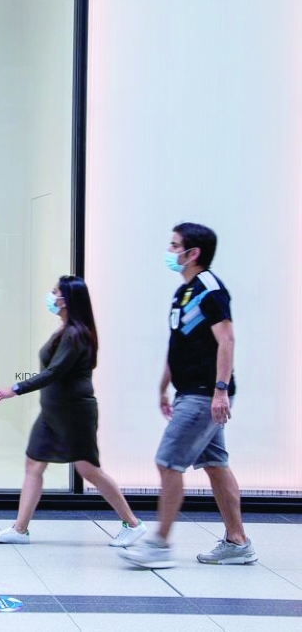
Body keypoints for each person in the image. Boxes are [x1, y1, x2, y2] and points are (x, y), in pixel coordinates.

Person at [120, 223, 255, 569]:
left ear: (192, 253)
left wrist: (220, 390)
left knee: (168, 462)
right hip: (189, 392)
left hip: (204, 394)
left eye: (174, 245)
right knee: (216, 465)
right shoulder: (183, 292)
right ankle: (237, 542)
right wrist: (163, 386)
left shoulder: (209, 287)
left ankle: (159, 545)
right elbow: (177, 344)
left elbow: (227, 339)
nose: (169, 251)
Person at [0, 275, 145, 547]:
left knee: (89, 470)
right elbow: (52, 373)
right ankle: (19, 529)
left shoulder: (76, 334)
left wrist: (15, 388)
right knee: (33, 464)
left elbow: (54, 372)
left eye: (55, 292)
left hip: (74, 414)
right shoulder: (65, 330)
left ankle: (132, 524)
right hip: (52, 413)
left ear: (67, 299)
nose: (51, 296)